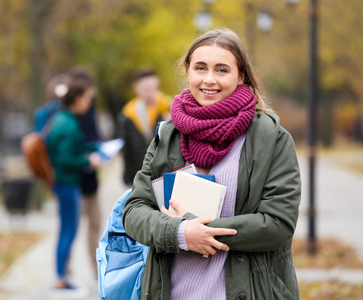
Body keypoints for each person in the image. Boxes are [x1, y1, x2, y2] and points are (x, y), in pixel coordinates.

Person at [122, 28, 301, 300]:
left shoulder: (272, 139)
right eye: (201, 68)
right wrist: (180, 233)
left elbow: (278, 223)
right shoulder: (168, 135)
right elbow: (134, 210)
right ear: (188, 71)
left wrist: (201, 233)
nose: (209, 79)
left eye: (221, 70)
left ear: (241, 75)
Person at [46, 77, 102, 297]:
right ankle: (60, 279)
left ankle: (61, 276)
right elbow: (65, 158)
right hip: (67, 182)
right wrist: (87, 161)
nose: (89, 103)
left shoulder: (61, 118)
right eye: (87, 98)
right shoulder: (68, 124)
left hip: (63, 182)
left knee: (66, 229)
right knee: (69, 230)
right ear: (77, 99)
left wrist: (91, 149)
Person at [69, 67, 103, 276]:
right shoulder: (68, 119)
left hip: (91, 178)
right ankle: (64, 271)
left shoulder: (89, 111)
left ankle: (96, 270)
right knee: (71, 227)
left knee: (95, 224)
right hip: (75, 181)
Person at [118, 70, 172, 187]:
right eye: (146, 89)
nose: (150, 93)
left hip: (165, 170)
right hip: (140, 170)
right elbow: (127, 148)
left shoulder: (169, 107)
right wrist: (128, 177)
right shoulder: (128, 113)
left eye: (153, 88)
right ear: (136, 88)